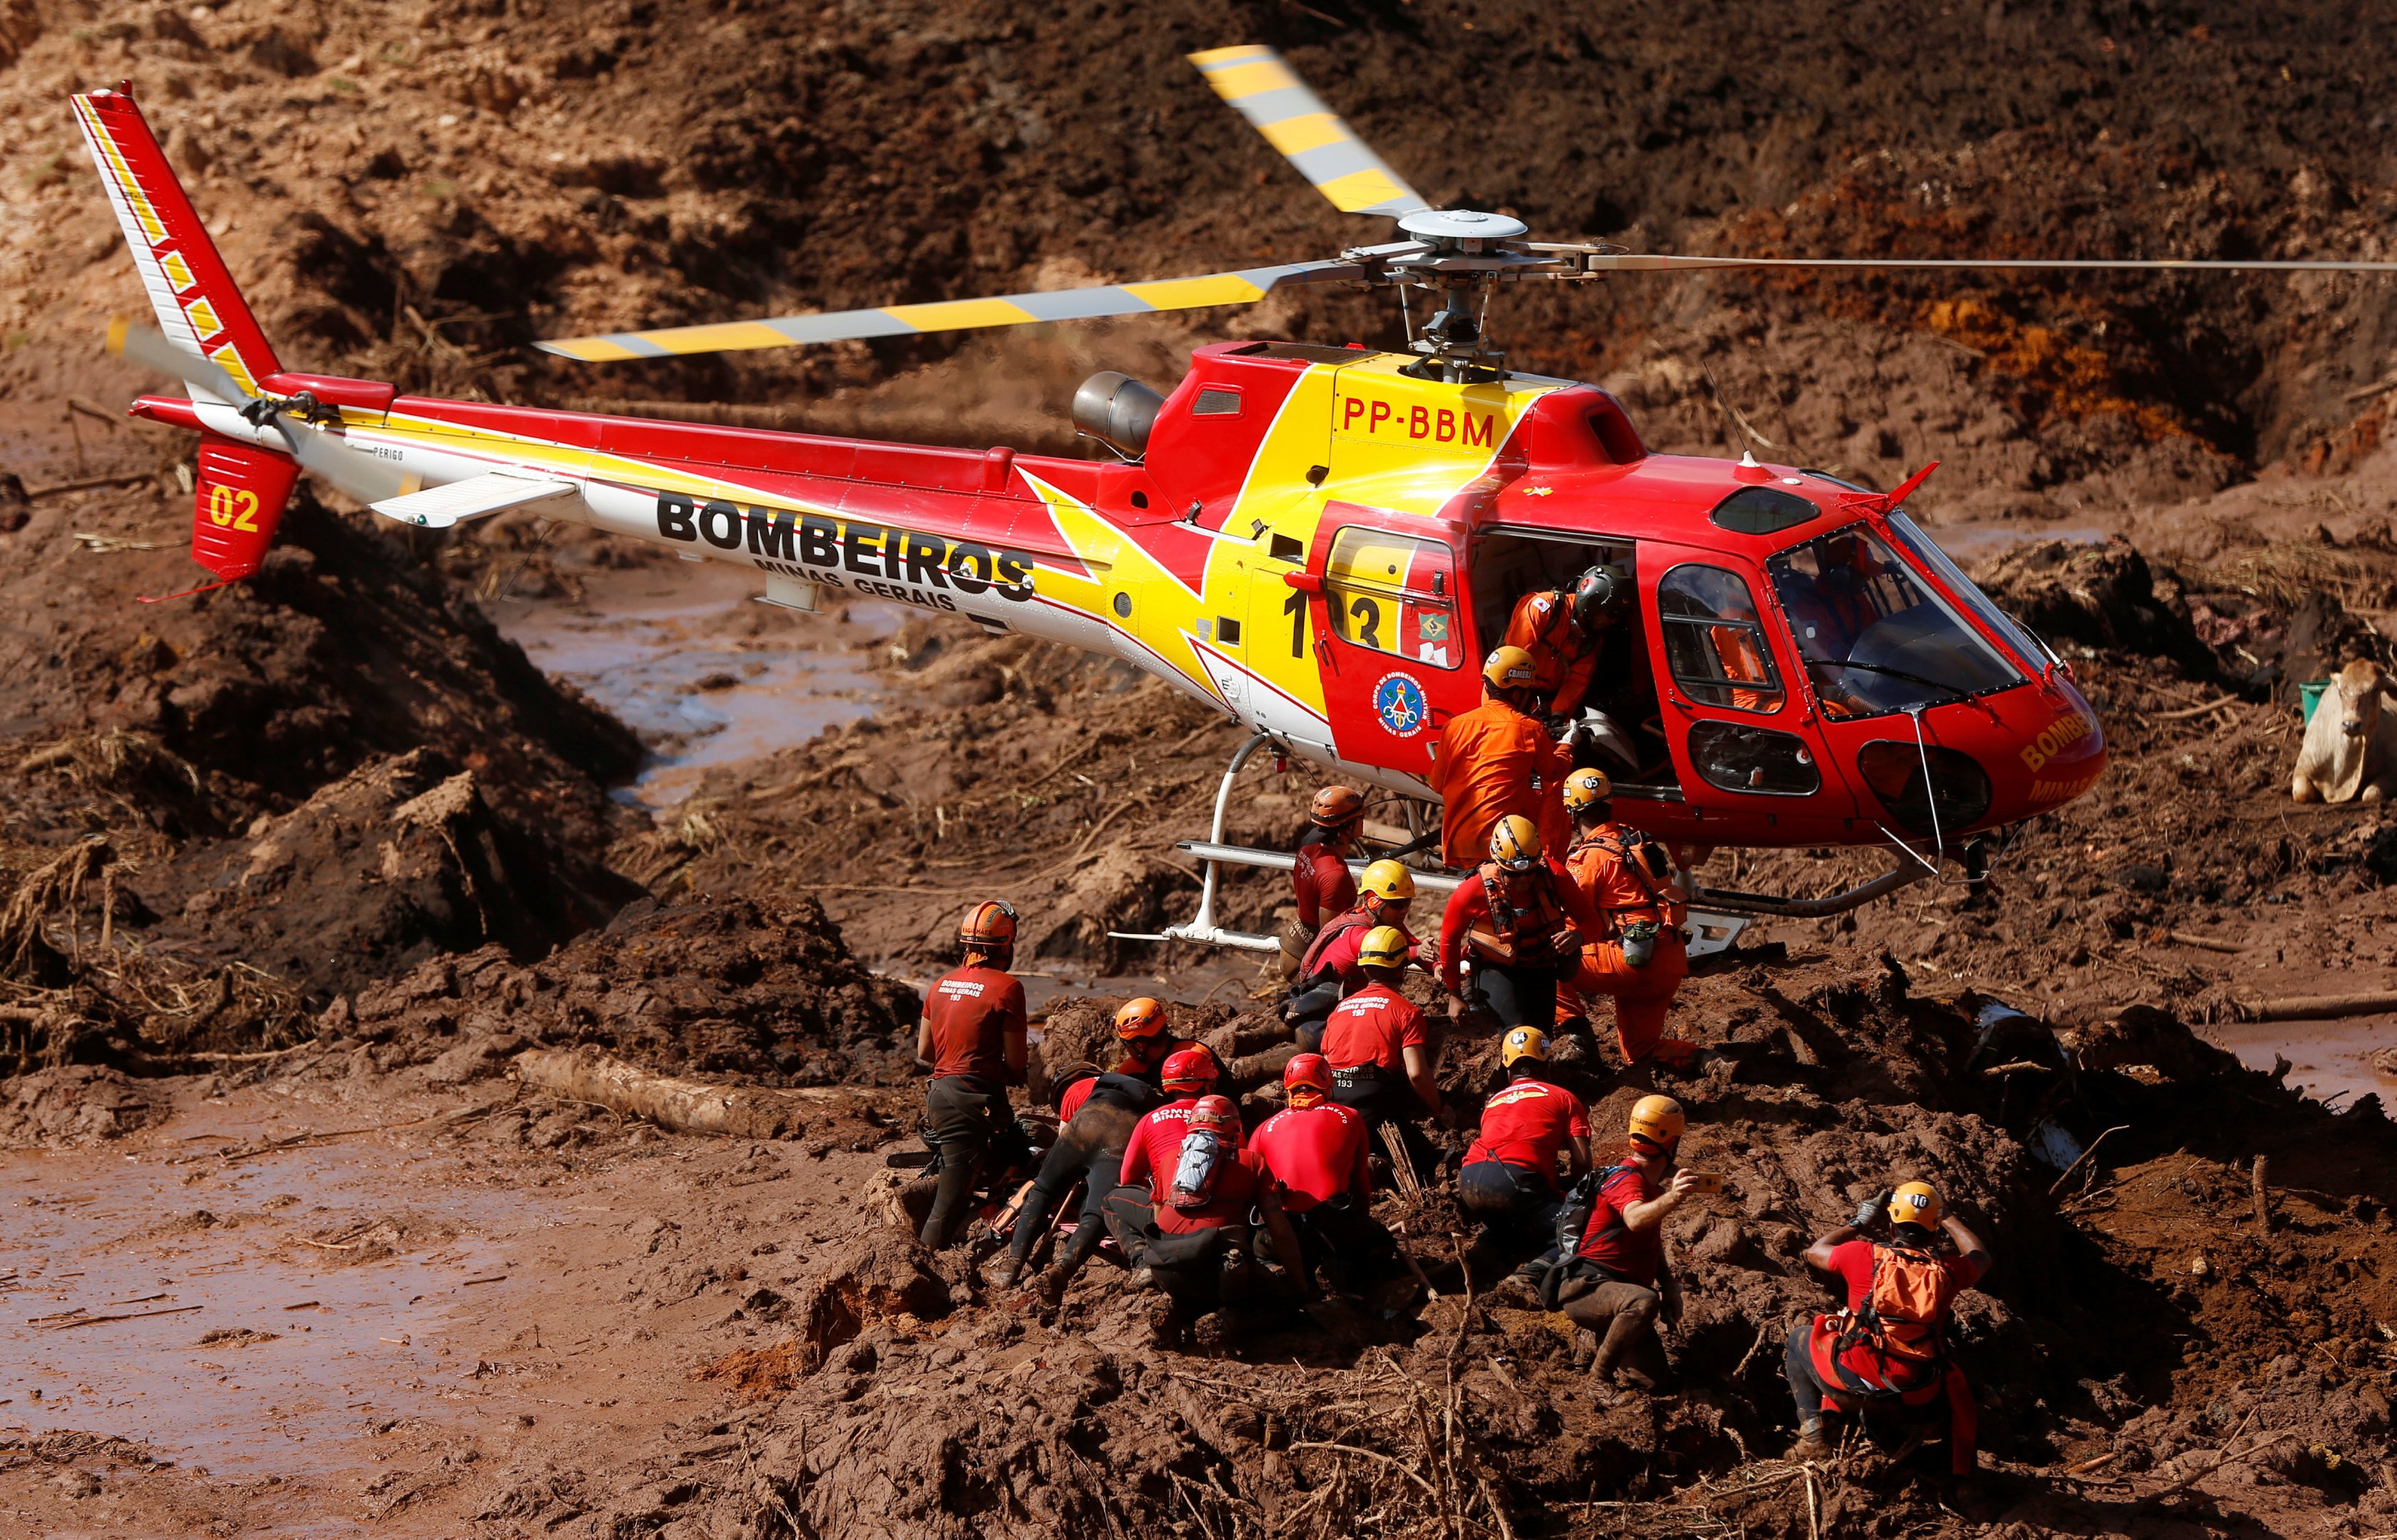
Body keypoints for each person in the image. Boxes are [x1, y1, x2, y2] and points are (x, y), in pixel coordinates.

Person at [1787, 1182, 1992, 1479]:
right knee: (1956, 1380)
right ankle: (1961, 1477)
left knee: (1802, 1336)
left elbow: (1814, 1251)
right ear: (1934, 1230)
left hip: (1850, 1383)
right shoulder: (1949, 1269)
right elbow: (1981, 1258)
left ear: (1892, 1224)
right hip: (1914, 1396)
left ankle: (1813, 1435)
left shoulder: (1861, 1254)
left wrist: (1860, 1221)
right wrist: (1947, 1216)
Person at [1105, 1092, 1307, 1348]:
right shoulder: (1252, 1162)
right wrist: (1301, 1287)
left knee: (1193, 1287)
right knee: (1285, 1306)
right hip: (1217, 1271)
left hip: (1165, 1268)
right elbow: (1279, 1229)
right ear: (1235, 1129)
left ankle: (1179, 1312)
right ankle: (1228, 1322)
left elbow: (1157, 1218)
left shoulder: (1169, 1161)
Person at [993, 1006, 1167, 1295]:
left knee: (1043, 1190)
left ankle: (1009, 1268)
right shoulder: (1129, 1087)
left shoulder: (1076, 1092)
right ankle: (1064, 1269)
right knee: (1097, 1211)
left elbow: (1065, 1143)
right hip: (1124, 1134)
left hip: (1090, 1121)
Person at [1547, 1095, 1700, 1406]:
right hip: (1588, 1289)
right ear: (1673, 1143)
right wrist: (1673, 1199)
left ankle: (1596, 1338)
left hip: (1615, 1295)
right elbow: (1634, 1219)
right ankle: (1598, 1381)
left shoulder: (1648, 1187)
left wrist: (1670, 1286)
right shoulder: (1626, 1179)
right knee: (1643, 1302)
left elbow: (1651, 1244)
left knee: (1660, 1384)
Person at [1554, 768, 1695, 1067]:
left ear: (1572, 814)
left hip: (1631, 962)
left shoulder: (1589, 858)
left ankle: (1580, 1043)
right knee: (1640, 1051)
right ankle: (1708, 1061)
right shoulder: (1638, 840)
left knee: (1545, 962)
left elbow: (1570, 923)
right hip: (1669, 959)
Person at [914, 900, 1030, 1248]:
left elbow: (924, 1053)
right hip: (974, 1100)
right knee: (948, 1204)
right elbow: (1016, 1062)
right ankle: (923, 1261)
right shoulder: (1008, 988)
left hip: (940, 1095)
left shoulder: (940, 984)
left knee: (990, 1165)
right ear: (1006, 943)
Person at [1250, 1053, 1402, 1300]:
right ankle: (1343, 1269)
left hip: (1280, 1233)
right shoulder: (1350, 1116)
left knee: (1263, 1252)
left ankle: (1280, 1272)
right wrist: (1361, 1222)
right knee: (1382, 1242)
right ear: (1327, 1085)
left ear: (1287, 1089)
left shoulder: (1262, 1129)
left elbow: (1252, 1188)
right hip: (1332, 1227)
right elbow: (1361, 1183)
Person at [1437, 815, 1601, 1034]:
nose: (1523, 880)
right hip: (1497, 969)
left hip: (1542, 967)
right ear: (1498, 864)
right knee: (1519, 1034)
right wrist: (1454, 995)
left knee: (1541, 1038)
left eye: (1530, 872)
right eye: (1513, 875)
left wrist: (1578, 936)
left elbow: (1592, 922)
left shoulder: (1556, 876)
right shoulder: (1472, 891)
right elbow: (1449, 940)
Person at [1457, 1027, 1591, 1271]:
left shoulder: (1494, 1101)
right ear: (1547, 1065)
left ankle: (1488, 1248)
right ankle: (1531, 1274)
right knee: (1585, 1227)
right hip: (1515, 1180)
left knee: (1514, 1217)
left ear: (1509, 1072)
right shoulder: (1564, 1097)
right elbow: (1582, 1162)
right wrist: (1579, 1197)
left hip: (1468, 1180)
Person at [1429, 645, 1575, 867]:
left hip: (1460, 845)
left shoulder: (1453, 726)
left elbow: (1437, 785)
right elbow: (1554, 772)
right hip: (1503, 844)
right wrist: (1568, 745)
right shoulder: (1529, 729)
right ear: (1519, 694)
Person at [1284, 859, 1417, 1052]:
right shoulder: (1362, 936)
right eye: (1398, 904)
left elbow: (1413, 945)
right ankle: (1250, 1068)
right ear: (1374, 901)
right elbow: (1390, 953)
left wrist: (1436, 964)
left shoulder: (1373, 919)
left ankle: (1253, 1041)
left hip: (1316, 1008)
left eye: (1408, 903)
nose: (1404, 910)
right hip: (1324, 1020)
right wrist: (1418, 953)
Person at [1502, 566, 1622, 722]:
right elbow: (1513, 662)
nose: (1613, 621)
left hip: (1542, 702)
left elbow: (1576, 681)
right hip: (1508, 694)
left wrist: (1558, 715)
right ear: (1591, 605)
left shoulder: (1592, 641)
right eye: (1611, 613)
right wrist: (1518, 712)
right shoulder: (1544, 608)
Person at [1282, 786, 1364, 980]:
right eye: (1361, 817)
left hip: (1294, 942)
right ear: (1349, 826)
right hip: (1307, 958)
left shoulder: (1308, 848)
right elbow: (1328, 936)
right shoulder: (1336, 875)